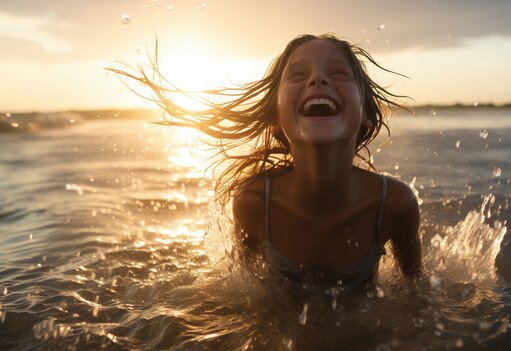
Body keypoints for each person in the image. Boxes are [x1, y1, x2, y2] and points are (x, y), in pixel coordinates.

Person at [110, 34, 421, 287]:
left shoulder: (394, 204)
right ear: (275, 118)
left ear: (367, 113)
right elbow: (241, 292)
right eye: (299, 75)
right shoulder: (255, 201)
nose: (317, 81)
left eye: (338, 74)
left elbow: (417, 300)